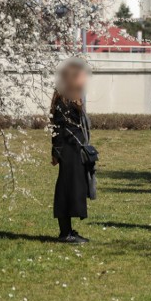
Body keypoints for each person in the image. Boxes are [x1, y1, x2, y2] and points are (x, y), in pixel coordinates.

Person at [50, 58, 95, 244]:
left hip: (75, 150)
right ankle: (65, 233)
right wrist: (56, 151)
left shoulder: (73, 97)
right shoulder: (64, 100)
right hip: (69, 150)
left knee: (73, 188)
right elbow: (57, 128)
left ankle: (67, 230)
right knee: (67, 189)